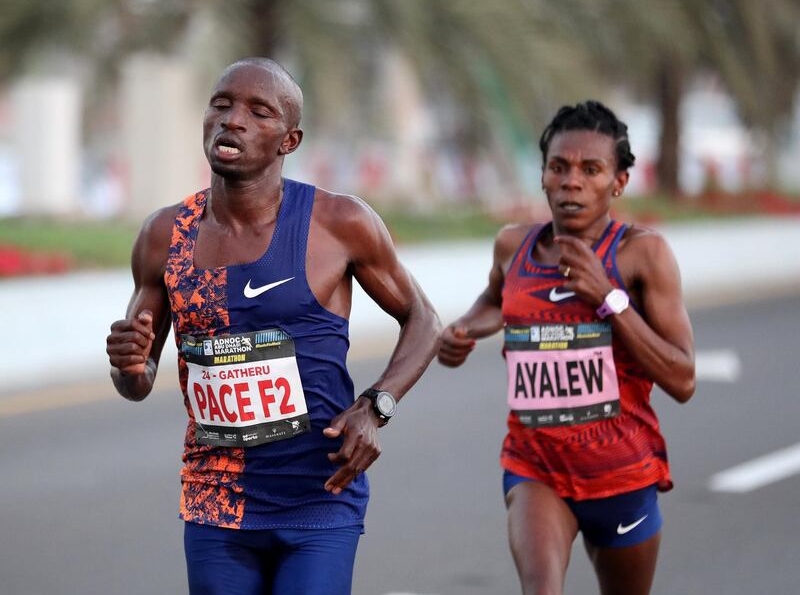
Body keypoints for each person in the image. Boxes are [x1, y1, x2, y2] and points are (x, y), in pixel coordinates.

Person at [106, 57, 441, 595]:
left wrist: (377, 405)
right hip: (217, 502)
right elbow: (137, 379)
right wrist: (129, 364)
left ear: (289, 140)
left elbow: (423, 319)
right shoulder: (165, 235)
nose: (232, 119)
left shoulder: (339, 223)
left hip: (318, 496)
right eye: (221, 104)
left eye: (258, 111)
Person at [437, 101, 695, 595]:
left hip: (621, 476)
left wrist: (608, 298)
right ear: (543, 176)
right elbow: (496, 299)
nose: (571, 181)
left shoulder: (643, 254)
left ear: (618, 182)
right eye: (559, 167)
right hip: (536, 469)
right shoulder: (514, 246)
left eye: (591, 169)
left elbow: (683, 379)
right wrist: (465, 328)